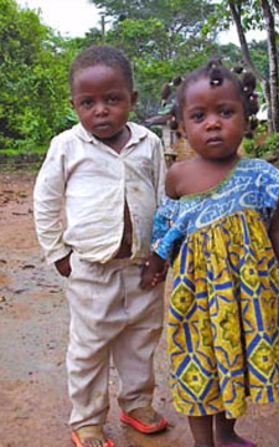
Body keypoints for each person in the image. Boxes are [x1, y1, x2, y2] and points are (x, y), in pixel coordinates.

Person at [142, 59, 279, 447]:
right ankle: (204, 443)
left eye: (226, 112)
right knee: (198, 365)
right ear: (183, 127)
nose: (213, 123)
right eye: (199, 116)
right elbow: (167, 225)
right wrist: (156, 264)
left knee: (236, 361)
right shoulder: (179, 177)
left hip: (246, 298)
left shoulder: (261, 176)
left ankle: (228, 433)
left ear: (247, 120)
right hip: (196, 297)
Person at [33, 45, 168, 447]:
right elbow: (45, 201)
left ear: (133, 99)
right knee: (89, 348)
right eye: (88, 102)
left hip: (143, 269)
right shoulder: (67, 146)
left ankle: (136, 402)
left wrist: (160, 253)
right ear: (74, 104)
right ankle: (88, 419)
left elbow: (162, 199)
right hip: (90, 269)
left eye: (113, 99)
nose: (101, 111)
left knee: (141, 341)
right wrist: (58, 253)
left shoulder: (149, 143)